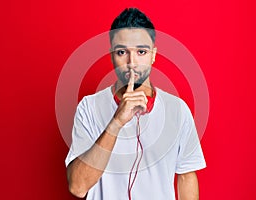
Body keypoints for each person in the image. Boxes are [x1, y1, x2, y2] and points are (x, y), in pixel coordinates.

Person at [65, 8, 206, 200]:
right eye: (122, 52)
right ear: (112, 55)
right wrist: (116, 122)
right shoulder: (88, 108)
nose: (132, 62)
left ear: (153, 55)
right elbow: (78, 187)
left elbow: (186, 177)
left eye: (141, 51)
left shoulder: (177, 110)